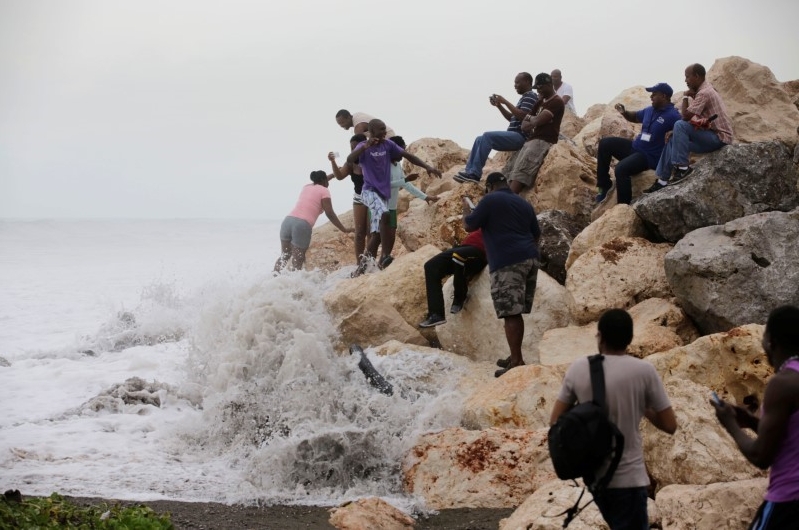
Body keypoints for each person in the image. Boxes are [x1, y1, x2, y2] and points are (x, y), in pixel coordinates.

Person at [550, 309, 677, 529]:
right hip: (630, 478)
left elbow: (555, 421)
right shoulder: (643, 371)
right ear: (629, 339)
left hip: (595, 477)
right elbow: (670, 425)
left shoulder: (579, 368)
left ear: (600, 336)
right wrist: (643, 406)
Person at [712, 305, 799, 528]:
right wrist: (751, 422)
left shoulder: (783, 384)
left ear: (771, 341)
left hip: (789, 500)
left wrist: (730, 424)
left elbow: (761, 456)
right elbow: (790, 436)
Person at [463, 172, 540, 377]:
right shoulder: (523, 203)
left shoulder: (490, 199)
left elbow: (469, 225)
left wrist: (466, 210)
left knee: (510, 312)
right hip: (530, 259)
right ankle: (514, 355)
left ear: (489, 186)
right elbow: (536, 234)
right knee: (516, 311)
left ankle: (516, 361)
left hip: (507, 261)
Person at [347, 119, 442, 276]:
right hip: (369, 192)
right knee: (384, 214)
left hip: (383, 195)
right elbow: (350, 160)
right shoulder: (363, 147)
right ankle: (385, 257)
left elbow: (408, 155)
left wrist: (427, 167)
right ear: (371, 131)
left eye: (385, 129)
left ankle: (360, 270)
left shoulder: (387, 145)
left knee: (376, 235)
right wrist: (365, 146)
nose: (385, 132)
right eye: (381, 129)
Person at [645, 63, 734, 193]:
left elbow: (685, 116)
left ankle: (682, 168)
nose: (685, 80)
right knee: (673, 139)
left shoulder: (704, 93)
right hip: (709, 137)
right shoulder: (705, 90)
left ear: (696, 76)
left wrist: (686, 96)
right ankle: (662, 181)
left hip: (719, 138)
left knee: (679, 125)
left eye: (687, 77)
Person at [595, 83, 681, 204]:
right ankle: (604, 186)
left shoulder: (673, 115)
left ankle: (623, 206)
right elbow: (635, 117)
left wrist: (673, 132)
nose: (651, 97)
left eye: (654, 94)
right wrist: (624, 112)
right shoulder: (649, 110)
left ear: (664, 96)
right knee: (605, 143)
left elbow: (683, 130)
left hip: (649, 157)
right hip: (635, 147)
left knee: (620, 169)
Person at [366, 136, 440, 270]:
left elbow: (405, 185)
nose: (402, 154)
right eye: (400, 151)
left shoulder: (397, 165)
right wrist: (405, 180)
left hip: (392, 206)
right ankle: (363, 266)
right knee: (376, 237)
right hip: (379, 206)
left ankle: (383, 263)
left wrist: (425, 197)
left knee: (391, 236)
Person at [453, 73, 539, 184]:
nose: (515, 85)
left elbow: (523, 116)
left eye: (517, 82)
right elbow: (512, 118)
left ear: (527, 82)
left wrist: (506, 102)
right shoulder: (524, 97)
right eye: (514, 83)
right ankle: (469, 171)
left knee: (487, 136)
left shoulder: (530, 96)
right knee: (480, 139)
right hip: (514, 135)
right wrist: (499, 105)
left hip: (521, 136)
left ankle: (474, 174)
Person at [274, 170, 353, 272]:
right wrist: (344, 229)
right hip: (301, 225)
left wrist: (333, 175)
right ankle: (295, 285)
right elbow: (330, 213)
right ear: (324, 181)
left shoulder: (307, 187)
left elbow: (321, 181)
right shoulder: (324, 190)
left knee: (284, 255)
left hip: (287, 221)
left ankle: (274, 278)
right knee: (298, 259)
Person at [507, 72, 565, 194]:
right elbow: (524, 125)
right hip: (531, 140)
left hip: (543, 141)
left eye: (540, 87)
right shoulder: (540, 103)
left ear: (549, 85)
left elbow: (537, 120)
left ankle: (508, 201)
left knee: (522, 172)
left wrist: (533, 120)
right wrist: (533, 120)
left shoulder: (556, 101)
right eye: (537, 88)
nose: (538, 91)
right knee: (512, 170)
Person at [418, 229, 487, 328]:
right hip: (465, 247)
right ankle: (436, 314)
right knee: (431, 266)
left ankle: (459, 297)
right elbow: (468, 225)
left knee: (458, 256)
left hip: (481, 250)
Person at [328, 134, 369, 267]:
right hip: (359, 198)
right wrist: (333, 162)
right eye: (351, 148)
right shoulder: (351, 162)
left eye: (355, 148)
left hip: (374, 197)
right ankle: (359, 263)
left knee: (371, 231)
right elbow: (339, 176)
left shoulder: (372, 159)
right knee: (359, 232)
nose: (353, 151)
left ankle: (370, 260)